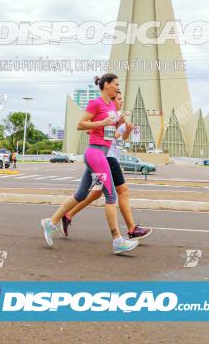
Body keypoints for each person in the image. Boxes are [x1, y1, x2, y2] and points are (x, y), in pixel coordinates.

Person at [41, 74, 139, 254]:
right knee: (111, 196)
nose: (118, 87)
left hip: (100, 154)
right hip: (95, 153)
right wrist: (102, 122)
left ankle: (51, 222)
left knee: (80, 195)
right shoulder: (95, 103)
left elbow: (113, 132)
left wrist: (122, 124)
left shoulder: (110, 105)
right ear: (106, 85)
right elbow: (80, 125)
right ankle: (117, 240)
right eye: (116, 84)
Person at [60, 90, 151, 241]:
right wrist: (117, 126)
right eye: (119, 99)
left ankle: (68, 215)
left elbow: (120, 141)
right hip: (107, 158)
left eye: (122, 99)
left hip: (106, 156)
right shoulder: (110, 116)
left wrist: (126, 130)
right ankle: (131, 229)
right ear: (112, 100)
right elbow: (104, 135)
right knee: (123, 192)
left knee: (94, 193)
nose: (121, 102)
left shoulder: (118, 117)